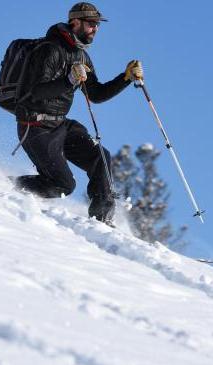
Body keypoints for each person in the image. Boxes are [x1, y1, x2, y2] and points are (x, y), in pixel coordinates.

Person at [13, 2, 143, 223]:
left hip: (61, 124)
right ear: (75, 22)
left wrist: (125, 78)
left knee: (100, 157)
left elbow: (96, 94)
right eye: (91, 23)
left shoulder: (81, 56)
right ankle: (9, 187)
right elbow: (32, 92)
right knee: (63, 185)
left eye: (97, 25)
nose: (96, 29)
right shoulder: (49, 50)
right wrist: (69, 80)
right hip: (35, 127)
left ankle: (101, 220)